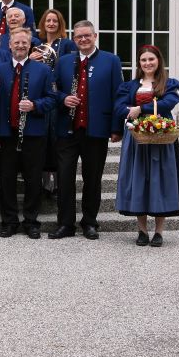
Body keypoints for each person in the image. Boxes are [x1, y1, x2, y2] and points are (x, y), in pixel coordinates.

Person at [50, 20, 123, 240]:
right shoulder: (63, 62)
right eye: (79, 36)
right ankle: (65, 224)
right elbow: (52, 91)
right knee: (64, 178)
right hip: (67, 129)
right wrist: (64, 98)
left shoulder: (111, 60)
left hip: (96, 130)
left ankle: (90, 222)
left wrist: (116, 127)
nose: (83, 39)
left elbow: (117, 95)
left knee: (93, 178)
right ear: (74, 39)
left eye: (87, 36)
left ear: (95, 36)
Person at [114, 45, 179, 247]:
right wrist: (130, 112)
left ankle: (159, 232)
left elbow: (168, 103)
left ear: (158, 61)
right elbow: (119, 107)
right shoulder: (128, 86)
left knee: (159, 181)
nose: (147, 63)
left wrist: (140, 108)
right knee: (138, 180)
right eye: (143, 60)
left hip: (161, 139)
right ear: (139, 63)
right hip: (136, 139)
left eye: (151, 59)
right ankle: (142, 230)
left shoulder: (170, 84)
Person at [0, 28, 55, 239]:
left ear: (30, 46)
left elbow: (52, 99)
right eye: (16, 43)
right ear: (9, 45)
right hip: (7, 134)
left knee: (33, 179)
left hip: (33, 134)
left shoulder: (43, 70)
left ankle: (31, 221)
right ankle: (9, 221)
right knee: (7, 180)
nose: (20, 46)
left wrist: (34, 105)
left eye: (24, 43)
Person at [28, 9, 75, 197]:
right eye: (48, 20)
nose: (51, 23)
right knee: (43, 139)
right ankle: (44, 182)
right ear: (43, 23)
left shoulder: (67, 43)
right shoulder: (36, 44)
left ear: (60, 24)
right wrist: (31, 59)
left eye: (55, 20)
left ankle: (56, 183)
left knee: (55, 138)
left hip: (57, 94)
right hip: (40, 94)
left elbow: (69, 67)